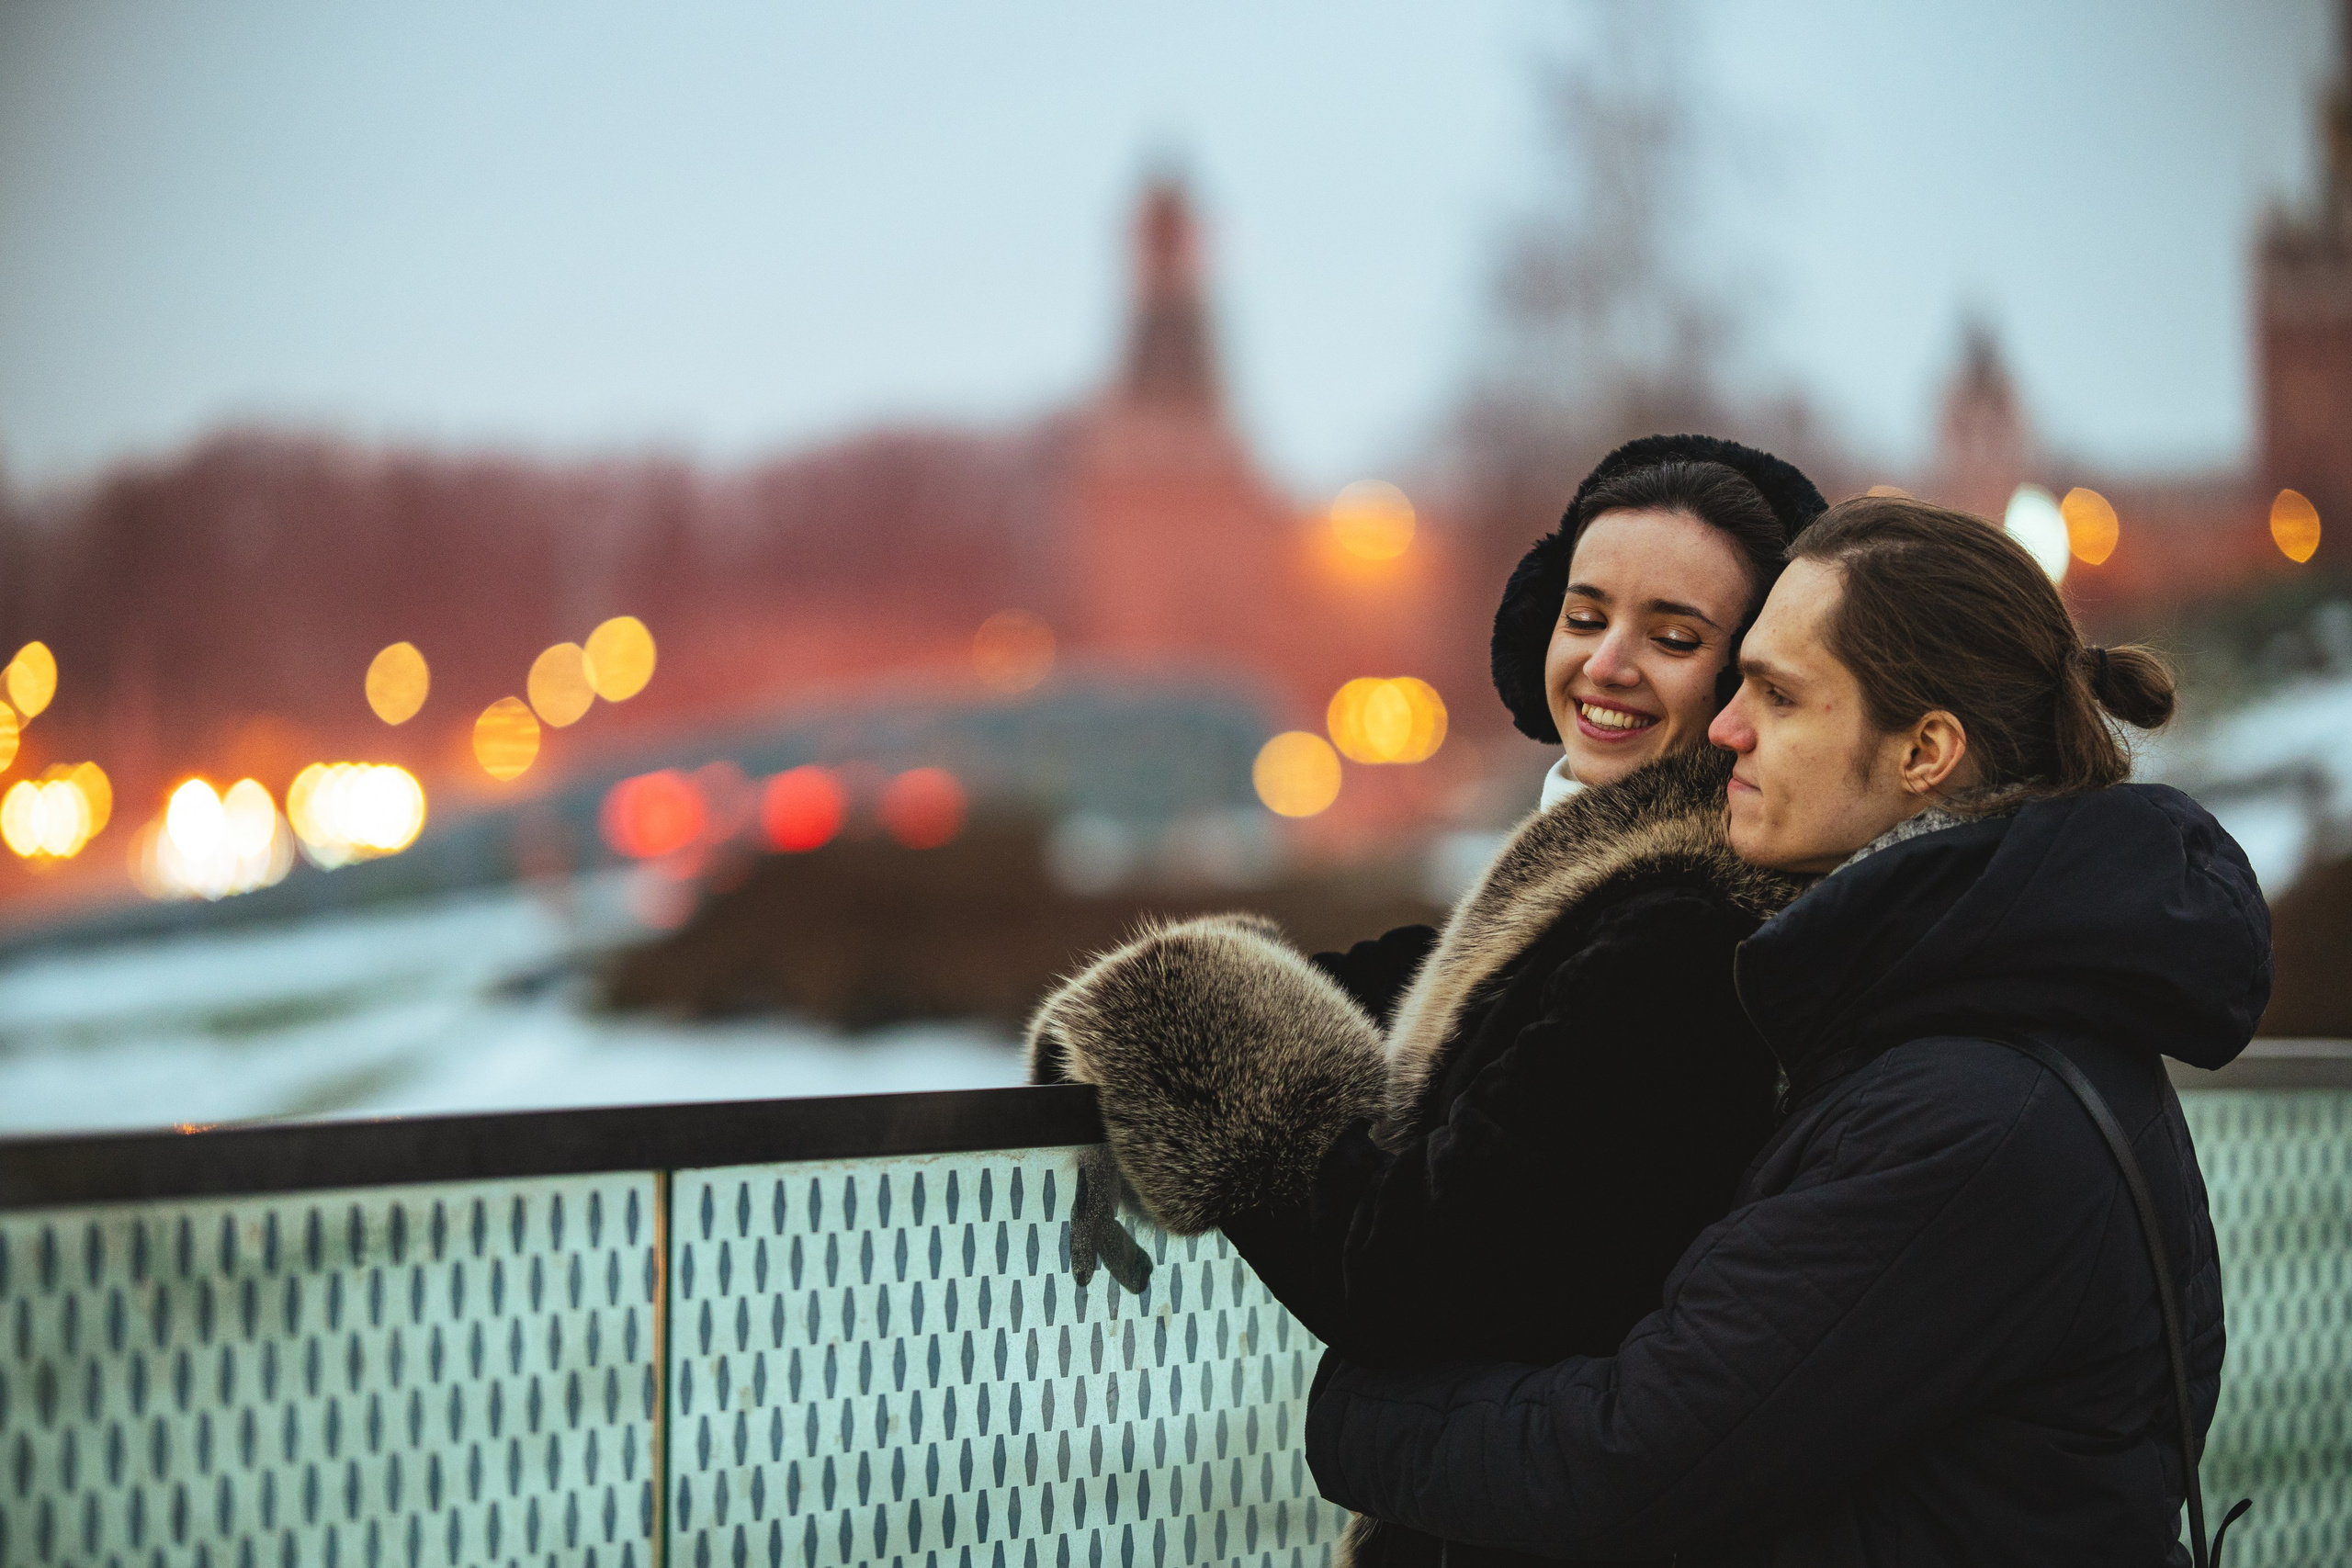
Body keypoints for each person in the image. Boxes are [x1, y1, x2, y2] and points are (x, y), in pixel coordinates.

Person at [1302, 494, 2271, 1567]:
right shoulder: (1949, 1017)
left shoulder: (1966, 1116)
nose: (1724, 727)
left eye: (1776, 694)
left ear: (1926, 752)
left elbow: (1622, 1461)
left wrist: (1355, 1408)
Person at [1027, 434, 1826, 1568]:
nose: (1605, 664)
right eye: (1585, 615)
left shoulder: (1684, 942)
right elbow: (1434, 994)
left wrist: (1184, 1030)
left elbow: (1407, 1276)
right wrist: (1209, 989)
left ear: (1749, 684)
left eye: (1675, 636)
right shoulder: (1614, 899)